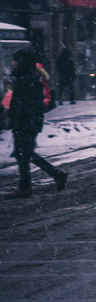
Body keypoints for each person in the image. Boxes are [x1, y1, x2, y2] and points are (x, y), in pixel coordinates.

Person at [5, 49, 67, 198]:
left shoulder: (28, 80)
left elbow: (28, 105)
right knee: (24, 153)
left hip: (25, 124)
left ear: (22, 62)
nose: (13, 63)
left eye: (16, 60)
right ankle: (53, 175)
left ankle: (27, 187)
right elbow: (13, 97)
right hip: (24, 123)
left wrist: (19, 117)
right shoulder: (23, 78)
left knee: (24, 153)